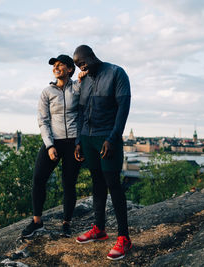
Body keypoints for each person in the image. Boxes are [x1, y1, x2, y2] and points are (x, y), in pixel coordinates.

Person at [73, 45, 132, 260]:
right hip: (88, 138)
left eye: (82, 61)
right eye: (78, 65)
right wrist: (79, 141)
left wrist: (113, 138)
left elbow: (123, 109)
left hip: (108, 137)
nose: (81, 66)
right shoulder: (85, 81)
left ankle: (124, 238)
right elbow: (81, 113)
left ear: (92, 55)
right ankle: (99, 229)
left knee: (113, 184)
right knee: (96, 182)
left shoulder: (116, 73)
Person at [21, 54, 86, 238]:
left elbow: (83, 115)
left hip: (73, 142)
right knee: (38, 178)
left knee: (69, 184)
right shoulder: (47, 92)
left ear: (70, 69)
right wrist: (49, 145)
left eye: (60, 65)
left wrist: (79, 143)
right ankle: (37, 222)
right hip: (54, 141)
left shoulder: (77, 87)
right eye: (54, 66)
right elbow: (43, 121)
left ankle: (66, 223)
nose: (56, 68)